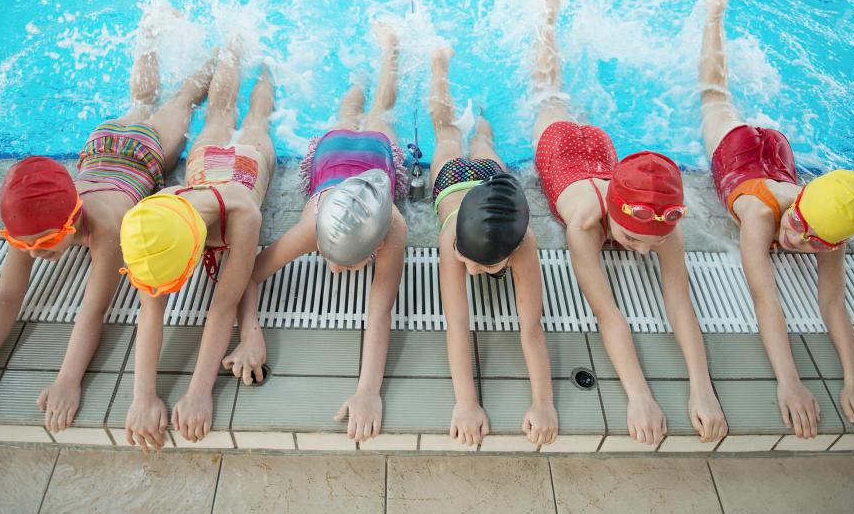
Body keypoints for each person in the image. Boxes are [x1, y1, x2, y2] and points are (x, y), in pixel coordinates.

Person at [0, 9, 209, 433]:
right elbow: (8, 296)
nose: (36, 255)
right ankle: (150, 26)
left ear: (71, 224)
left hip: (144, 153)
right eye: (27, 247)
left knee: (183, 100)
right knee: (142, 102)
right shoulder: (32, 220)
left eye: (43, 246)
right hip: (100, 149)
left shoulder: (105, 228)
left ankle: (221, 55)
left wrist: (69, 380)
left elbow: (93, 309)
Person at [531, 0, 728, 447]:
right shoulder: (585, 223)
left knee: (567, 97)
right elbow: (608, 313)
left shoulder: (662, 226)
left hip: (602, 155)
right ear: (612, 218)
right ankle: (547, 18)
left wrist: (704, 390)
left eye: (648, 243)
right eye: (630, 239)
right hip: (559, 146)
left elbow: (680, 306)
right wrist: (638, 396)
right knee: (549, 92)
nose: (641, 250)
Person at [697, 0, 854, 440]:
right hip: (739, 148)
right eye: (798, 224)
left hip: (778, 155)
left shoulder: (826, 223)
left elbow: (833, 302)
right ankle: (713, 16)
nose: (798, 241)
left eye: (814, 239)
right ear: (796, 204)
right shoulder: (762, 216)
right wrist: (790, 381)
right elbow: (766, 299)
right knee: (712, 95)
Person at [222, 23, 408, 443]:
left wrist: (368, 392)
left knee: (371, 113)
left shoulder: (394, 227)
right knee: (377, 111)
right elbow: (246, 271)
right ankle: (385, 54)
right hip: (333, 156)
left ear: (379, 243)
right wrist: (249, 333)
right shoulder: (314, 226)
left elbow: (379, 312)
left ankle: (374, 65)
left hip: (369, 150)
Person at [117, 35, 276, 451]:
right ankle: (234, 49)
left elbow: (224, 304)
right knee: (223, 110)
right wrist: (143, 396)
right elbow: (149, 311)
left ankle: (266, 68)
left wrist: (200, 391)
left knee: (256, 120)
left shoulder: (243, 217)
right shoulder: (154, 221)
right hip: (208, 163)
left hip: (247, 164)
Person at [428, 46, 559, 448]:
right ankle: (440, 68)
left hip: (490, 180)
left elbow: (532, 328)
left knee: (480, 137)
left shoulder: (524, 244)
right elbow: (457, 328)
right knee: (448, 133)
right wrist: (466, 403)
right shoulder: (450, 242)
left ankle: (481, 110)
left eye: (483, 268)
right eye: (469, 263)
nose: (470, 273)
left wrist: (544, 403)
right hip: (452, 182)